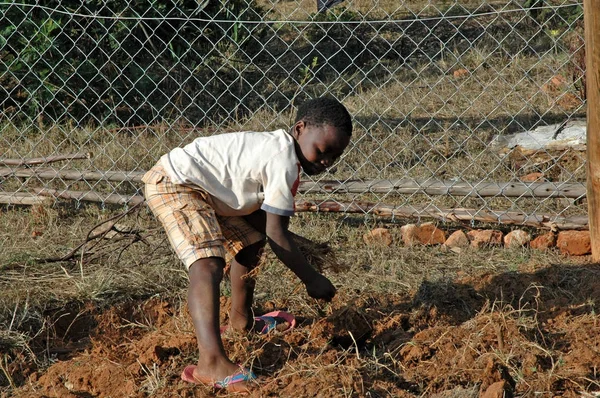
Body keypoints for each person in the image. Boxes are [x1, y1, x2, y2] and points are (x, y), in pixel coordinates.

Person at [142, 97, 352, 392]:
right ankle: (211, 363)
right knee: (207, 264)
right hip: (177, 183)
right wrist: (311, 279)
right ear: (300, 129)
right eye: (323, 150)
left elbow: (264, 229)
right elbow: (277, 235)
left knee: (251, 244)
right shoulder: (283, 162)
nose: (327, 161)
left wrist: (301, 247)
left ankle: (241, 322)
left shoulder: (281, 151)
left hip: (208, 191)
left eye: (336, 156)